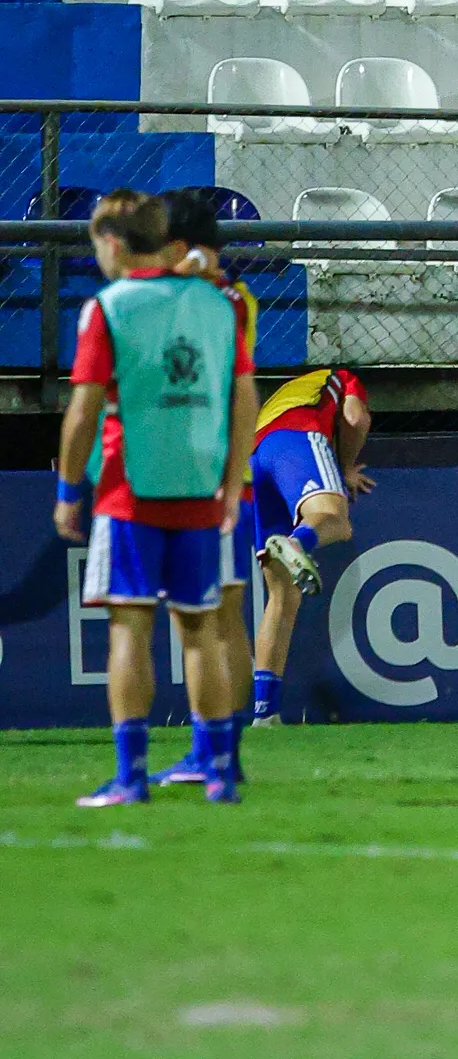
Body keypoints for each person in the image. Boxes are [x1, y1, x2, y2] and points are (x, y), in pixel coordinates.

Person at [53, 191, 256, 807]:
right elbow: (243, 396)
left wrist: (69, 490)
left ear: (113, 244)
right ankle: (220, 773)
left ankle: (130, 775)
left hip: (129, 492)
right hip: (200, 488)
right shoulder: (220, 305)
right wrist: (233, 478)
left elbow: (84, 409)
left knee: (129, 631)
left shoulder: (108, 309)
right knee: (201, 631)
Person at [148, 190, 258, 794]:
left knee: (205, 620)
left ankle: (208, 753)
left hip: (202, 476)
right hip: (224, 474)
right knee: (224, 617)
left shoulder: (215, 299)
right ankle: (222, 752)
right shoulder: (232, 295)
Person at [249, 361, 373, 726]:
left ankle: (264, 713)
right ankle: (298, 542)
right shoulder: (342, 378)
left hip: (257, 457)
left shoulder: (290, 390)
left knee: (282, 598)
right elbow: (356, 419)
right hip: (298, 436)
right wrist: (346, 466)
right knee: (335, 519)